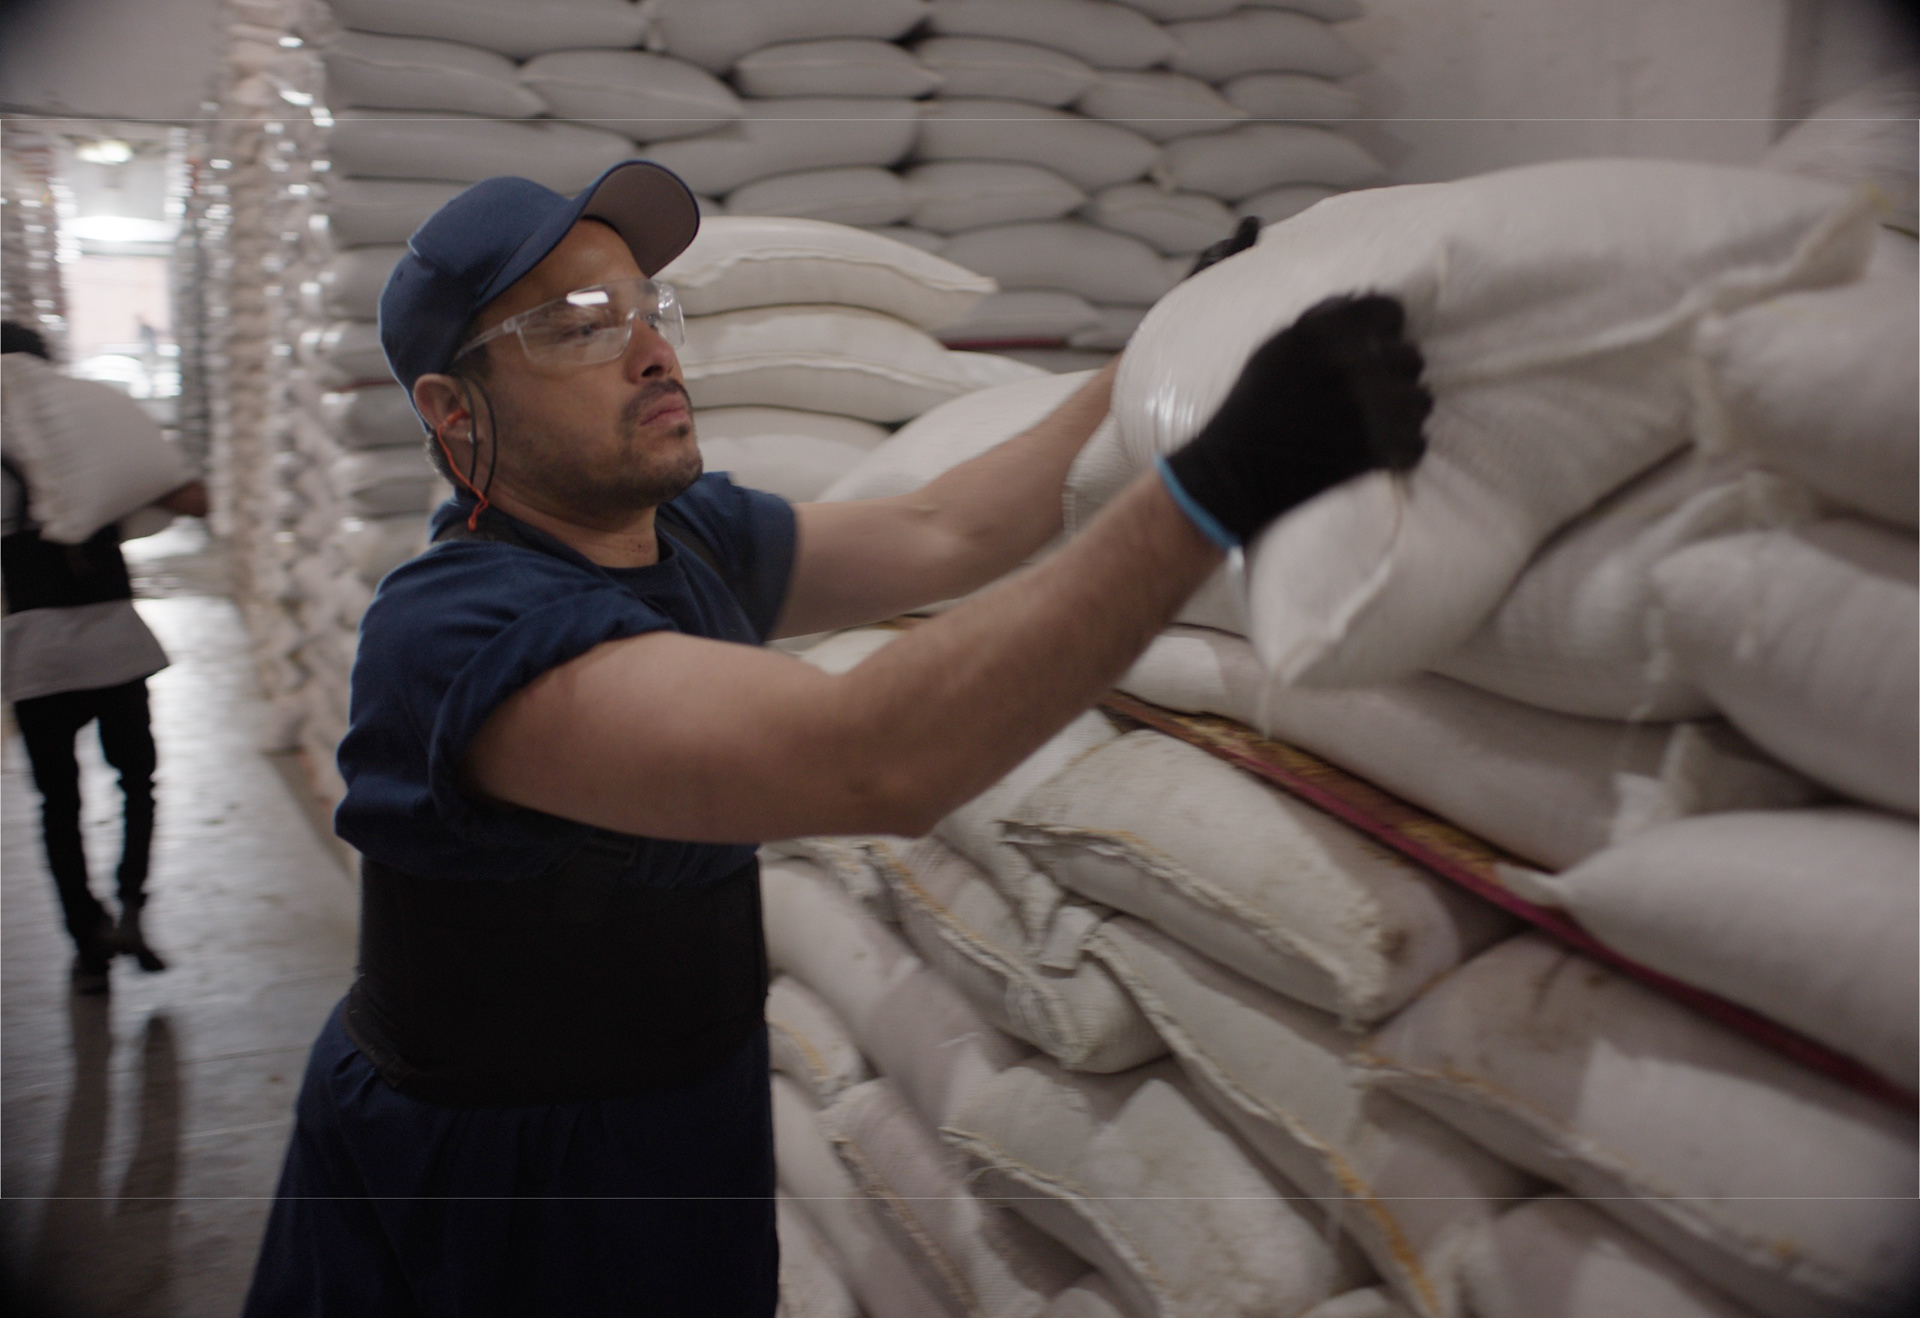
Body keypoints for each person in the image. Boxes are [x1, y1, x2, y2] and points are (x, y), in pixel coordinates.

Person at [242, 161, 1430, 1316]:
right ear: (453, 413)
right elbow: (867, 756)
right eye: (579, 327)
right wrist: (1215, 490)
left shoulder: (685, 536)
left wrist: (1154, 355)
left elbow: (944, 531)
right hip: (496, 1196)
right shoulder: (455, 630)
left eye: (649, 309)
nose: (650, 350)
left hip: (678, 1139)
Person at [1, 320, 209, 993]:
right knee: (136, 781)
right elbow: (193, 499)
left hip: (35, 657)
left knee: (57, 803)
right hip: (113, 646)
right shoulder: (91, 430)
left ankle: (88, 941)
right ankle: (131, 909)